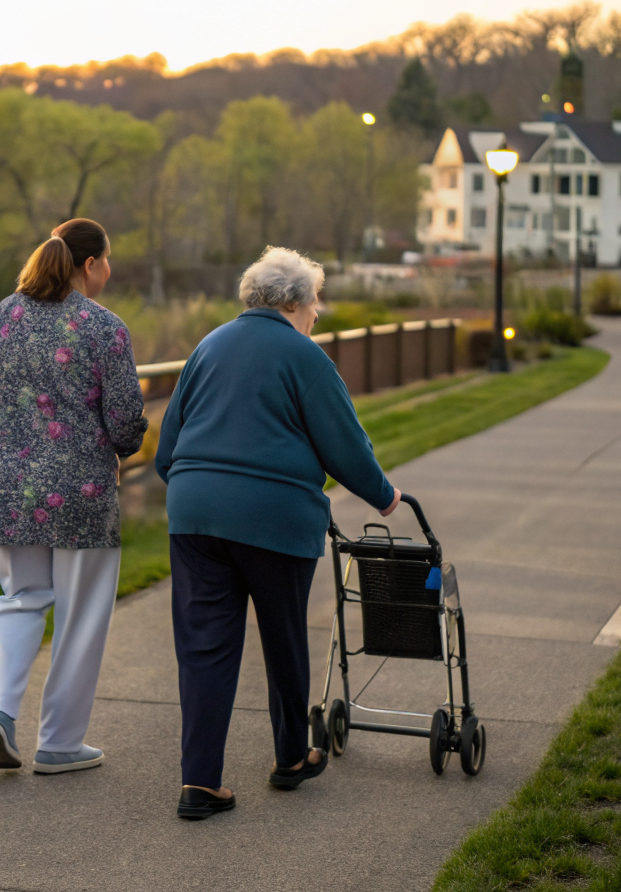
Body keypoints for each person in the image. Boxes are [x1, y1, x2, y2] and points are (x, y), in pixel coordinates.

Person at [154, 246, 400, 819]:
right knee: (283, 637)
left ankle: (199, 783)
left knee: (204, 650)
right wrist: (383, 496)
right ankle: (291, 757)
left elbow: (168, 447)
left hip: (194, 514)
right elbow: (345, 443)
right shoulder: (305, 356)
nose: (319, 311)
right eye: (315, 300)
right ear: (292, 301)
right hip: (273, 518)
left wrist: (196, 484)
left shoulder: (207, 346)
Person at [0, 218, 147, 775]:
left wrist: (7, 445)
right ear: (89, 265)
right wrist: (123, 446)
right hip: (83, 492)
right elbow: (124, 423)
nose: (110, 271)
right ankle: (60, 744)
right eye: (108, 260)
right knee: (81, 615)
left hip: (12, 489)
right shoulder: (104, 327)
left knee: (19, 601)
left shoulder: (6, 313)